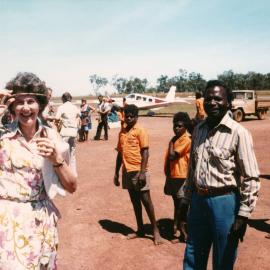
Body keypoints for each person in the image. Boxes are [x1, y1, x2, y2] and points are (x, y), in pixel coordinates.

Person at [179, 80, 260, 270]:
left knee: (224, 258)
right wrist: (185, 201)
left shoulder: (239, 133)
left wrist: (243, 215)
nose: (212, 103)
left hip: (225, 203)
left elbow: (251, 177)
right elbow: (192, 170)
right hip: (198, 201)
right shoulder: (198, 130)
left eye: (218, 98)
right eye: (208, 99)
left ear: (228, 102)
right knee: (192, 254)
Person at [0, 72, 77, 269]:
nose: (25, 107)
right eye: (19, 102)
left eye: (31, 101)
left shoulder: (52, 137)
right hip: (8, 222)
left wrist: (55, 158)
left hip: (41, 222)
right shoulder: (3, 136)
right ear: (12, 106)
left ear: (40, 105)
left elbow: (71, 185)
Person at [113, 104, 163, 245]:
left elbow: (145, 152)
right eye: (127, 115)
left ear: (136, 117)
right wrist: (116, 173)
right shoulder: (122, 132)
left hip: (138, 171)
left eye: (131, 116)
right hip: (126, 171)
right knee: (135, 201)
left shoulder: (140, 131)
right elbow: (119, 153)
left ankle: (155, 231)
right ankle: (140, 229)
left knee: (146, 201)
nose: (129, 118)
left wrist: (142, 172)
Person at [164, 112, 191, 243]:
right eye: (175, 126)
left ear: (185, 127)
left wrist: (171, 142)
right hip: (174, 175)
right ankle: (177, 228)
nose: (176, 128)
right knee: (177, 203)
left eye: (180, 126)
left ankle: (184, 233)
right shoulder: (177, 139)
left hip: (181, 176)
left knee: (182, 205)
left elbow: (172, 156)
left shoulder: (185, 140)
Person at [55, 92, 80, 171]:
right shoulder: (75, 107)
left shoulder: (61, 107)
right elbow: (79, 116)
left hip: (65, 132)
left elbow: (57, 118)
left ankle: (65, 172)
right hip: (73, 132)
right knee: (72, 153)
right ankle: (73, 172)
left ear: (63, 99)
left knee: (63, 153)